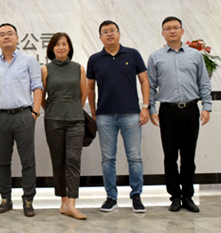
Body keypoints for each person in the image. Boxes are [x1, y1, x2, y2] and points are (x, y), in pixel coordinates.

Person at [147, 16, 212, 213]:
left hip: (191, 110)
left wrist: (207, 106)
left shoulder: (195, 55)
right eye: (167, 28)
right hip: (168, 111)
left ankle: (188, 196)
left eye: (175, 27)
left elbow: (204, 82)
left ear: (182, 31)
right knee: (170, 157)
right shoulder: (155, 57)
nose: (172, 31)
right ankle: (174, 196)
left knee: (188, 157)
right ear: (163, 33)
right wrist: (151, 109)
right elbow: (150, 86)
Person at [87, 20, 150, 213]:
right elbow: (90, 88)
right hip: (105, 116)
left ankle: (136, 196)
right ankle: (111, 197)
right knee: (108, 158)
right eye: (105, 32)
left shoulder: (132, 54)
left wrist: (145, 107)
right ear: (100, 38)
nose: (109, 34)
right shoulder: (95, 59)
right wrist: (93, 111)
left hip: (131, 114)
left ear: (119, 34)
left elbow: (144, 81)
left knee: (134, 157)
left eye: (112, 30)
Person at [0, 23, 42, 217]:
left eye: (10, 33)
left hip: (24, 115)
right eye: (2, 34)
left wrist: (34, 113)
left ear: (17, 38)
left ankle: (28, 200)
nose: (6, 37)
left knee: (28, 160)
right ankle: (5, 199)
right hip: (1, 117)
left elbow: (37, 87)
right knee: (3, 161)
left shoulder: (29, 61)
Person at [41, 32, 87, 220]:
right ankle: (63, 200)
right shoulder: (46, 69)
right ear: (52, 49)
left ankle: (72, 204)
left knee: (73, 160)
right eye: (57, 44)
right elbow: (41, 96)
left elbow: (83, 95)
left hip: (75, 120)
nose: (61, 47)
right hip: (53, 121)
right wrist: (52, 109)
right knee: (58, 161)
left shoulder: (78, 68)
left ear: (69, 48)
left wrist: (73, 109)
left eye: (64, 44)